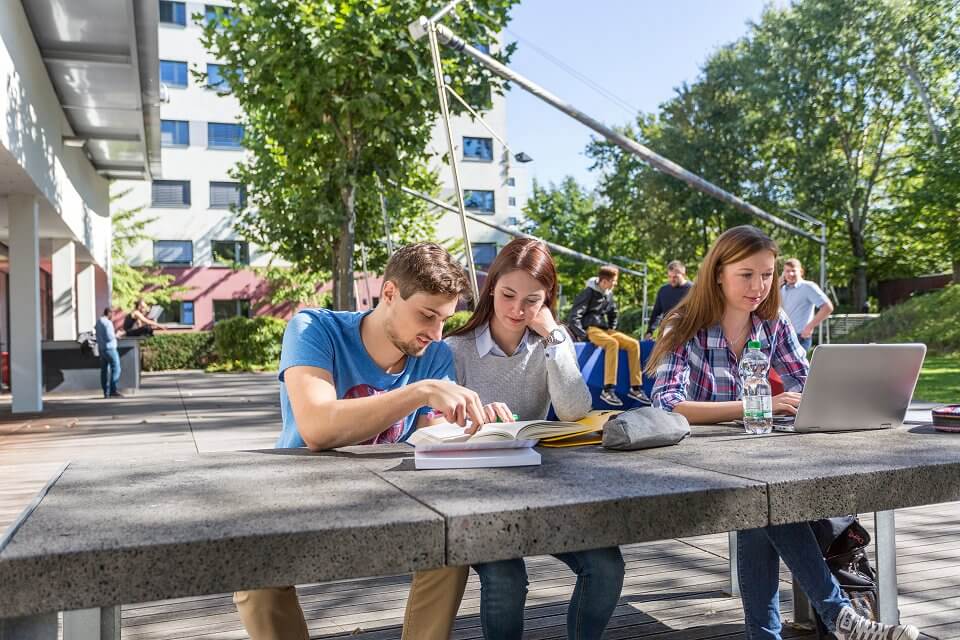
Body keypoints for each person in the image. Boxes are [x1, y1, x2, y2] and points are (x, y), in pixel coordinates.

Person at [647, 225, 920, 640]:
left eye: (767, 274)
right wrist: (760, 405)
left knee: (761, 507)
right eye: (746, 274)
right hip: (694, 465)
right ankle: (838, 614)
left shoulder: (772, 322)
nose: (758, 286)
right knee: (769, 503)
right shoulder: (682, 325)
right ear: (718, 273)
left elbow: (807, 381)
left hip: (754, 462)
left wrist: (841, 397)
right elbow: (667, 404)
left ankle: (779, 632)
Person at [234, 243, 486, 640]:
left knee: (451, 543)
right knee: (255, 576)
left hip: (390, 496)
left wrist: (473, 424)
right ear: (389, 293)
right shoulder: (314, 329)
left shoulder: (435, 354)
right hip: (300, 493)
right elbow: (317, 428)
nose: (437, 334)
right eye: (427, 315)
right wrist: (420, 391)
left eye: (444, 319)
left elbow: (430, 439)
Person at [406, 238, 624, 640]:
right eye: (508, 295)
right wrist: (472, 419)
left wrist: (555, 336)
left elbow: (574, 409)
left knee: (606, 566)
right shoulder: (455, 349)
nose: (517, 310)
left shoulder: (549, 344)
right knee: (507, 579)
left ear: (547, 301)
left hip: (537, 490)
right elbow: (428, 427)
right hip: (472, 496)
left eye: (532, 301)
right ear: (491, 288)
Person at [567, 265, 649, 406]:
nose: (615, 284)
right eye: (614, 281)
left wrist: (612, 329)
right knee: (612, 343)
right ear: (604, 281)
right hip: (591, 328)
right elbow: (574, 316)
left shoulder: (608, 294)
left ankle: (635, 388)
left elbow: (613, 313)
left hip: (605, 329)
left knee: (633, 344)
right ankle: (608, 390)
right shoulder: (588, 293)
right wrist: (583, 335)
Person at [781, 258, 833, 350]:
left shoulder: (808, 287)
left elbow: (827, 307)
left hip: (800, 337)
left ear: (801, 272)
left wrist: (810, 327)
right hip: (782, 337)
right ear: (783, 273)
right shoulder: (782, 289)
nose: (790, 274)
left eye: (793, 271)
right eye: (787, 271)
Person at [646, 259, 693, 338]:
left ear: (684, 275)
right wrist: (650, 331)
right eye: (669, 276)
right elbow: (656, 313)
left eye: (675, 277)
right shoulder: (663, 290)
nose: (672, 280)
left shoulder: (693, 290)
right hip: (666, 332)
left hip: (687, 332)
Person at [95, 307, 122, 398]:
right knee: (116, 368)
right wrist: (117, 335)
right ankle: (113, 390)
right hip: (110, 349)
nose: (113, 316)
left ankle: (106, 392)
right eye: (113, 314)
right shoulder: (108, 323)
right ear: (109, 313)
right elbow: (110, 337)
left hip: (101, 349)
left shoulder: (98, 322)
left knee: (104, 371)